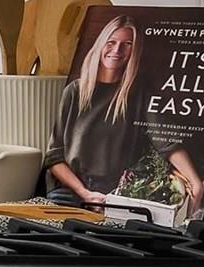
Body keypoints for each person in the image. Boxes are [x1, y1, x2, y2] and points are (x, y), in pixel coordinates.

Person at [43, 14, 147, 209]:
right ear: (100, 45)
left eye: (127, 44)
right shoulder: (75, 91)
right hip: (69, 191)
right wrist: (85, 194)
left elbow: (165, 143)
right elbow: (54, 157)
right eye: (111, 42)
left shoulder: (138, 96)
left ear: (135, 50)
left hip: (116, 194)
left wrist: (195, 183)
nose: (117, 50)